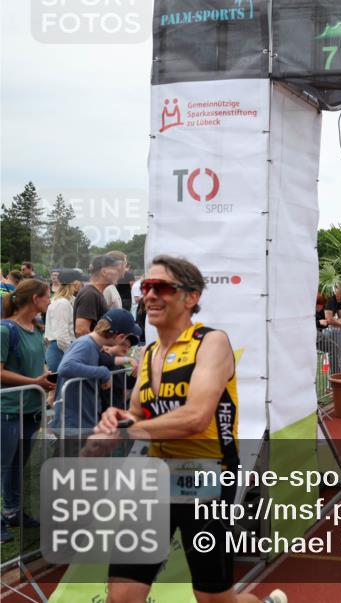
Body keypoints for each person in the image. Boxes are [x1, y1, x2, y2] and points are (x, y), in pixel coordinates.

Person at [85, 255, 286, 603]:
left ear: (191, 297)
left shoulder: (211, 343)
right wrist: (109, 428)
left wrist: (130, 428)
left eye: (161, 287)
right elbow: (135, 414)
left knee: (214, 600)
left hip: (207, 478)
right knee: (123, 595)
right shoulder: (149, 354)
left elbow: (196, 417)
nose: (150, 295)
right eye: (146, 286)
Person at [0, 279, 55, 543]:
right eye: (47, 296)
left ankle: (12, 512)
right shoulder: (5, 330)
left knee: (16, 466)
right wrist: (35, 382)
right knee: (4, 466)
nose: (50, 301)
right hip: (9, 410)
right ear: (35, 299)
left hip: (30, 410)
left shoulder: (35, 330)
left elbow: (39, 366)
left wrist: (47, 379)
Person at [51, 308, 139, 440]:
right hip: (74, 424)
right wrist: (104, 372)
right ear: (120, 337)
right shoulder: (86, 344)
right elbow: (66, 367)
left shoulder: (93, 345)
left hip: (81, 421)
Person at [44, 268, 84, 373]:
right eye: (79, 281)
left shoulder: (70, 300)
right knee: (59, 382)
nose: (81, 284)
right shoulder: (62, 303)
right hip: (61, 350)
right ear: (74, 283)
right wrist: (72, 354)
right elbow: (61, 336)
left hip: (63, 348)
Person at [75, 254, 120, 336]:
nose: (118, 273)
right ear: (104, 272)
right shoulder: (90, 294)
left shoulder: (95, 293)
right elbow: (81, 330)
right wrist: (99, 344)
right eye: (115, 269)